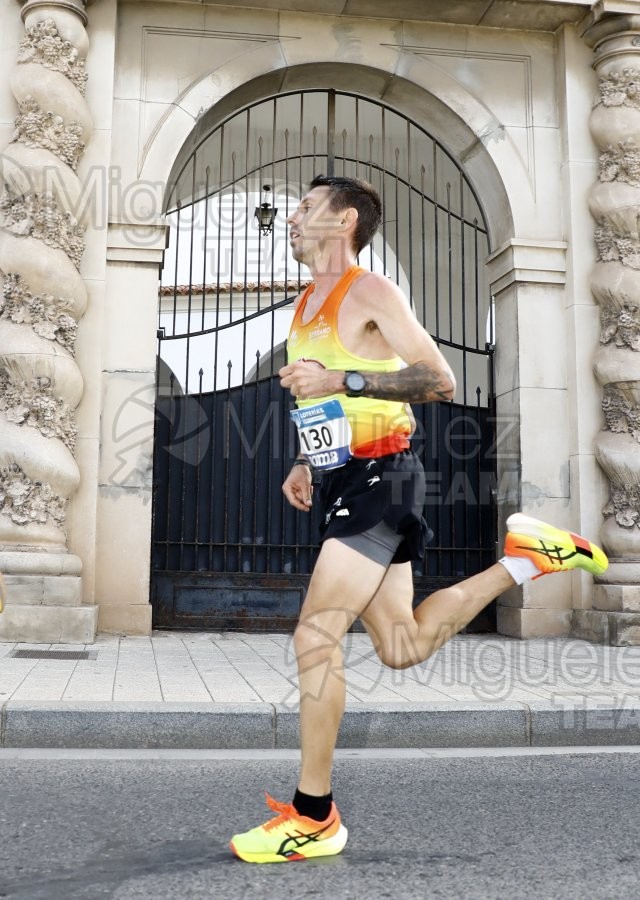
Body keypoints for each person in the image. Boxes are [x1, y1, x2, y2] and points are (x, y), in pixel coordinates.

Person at [229, 175, 608, 864]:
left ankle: (314, 817)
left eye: (308, 207)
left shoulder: (368, 292)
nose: (292, 216)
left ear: (344, 221)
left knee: (316, 635)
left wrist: (341, 381)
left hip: (382, 477)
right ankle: (526, 558)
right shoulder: (305, 304)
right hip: (347, 475)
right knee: (401, 645)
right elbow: (323, 399)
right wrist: (305, 463)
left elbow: (440, 382)